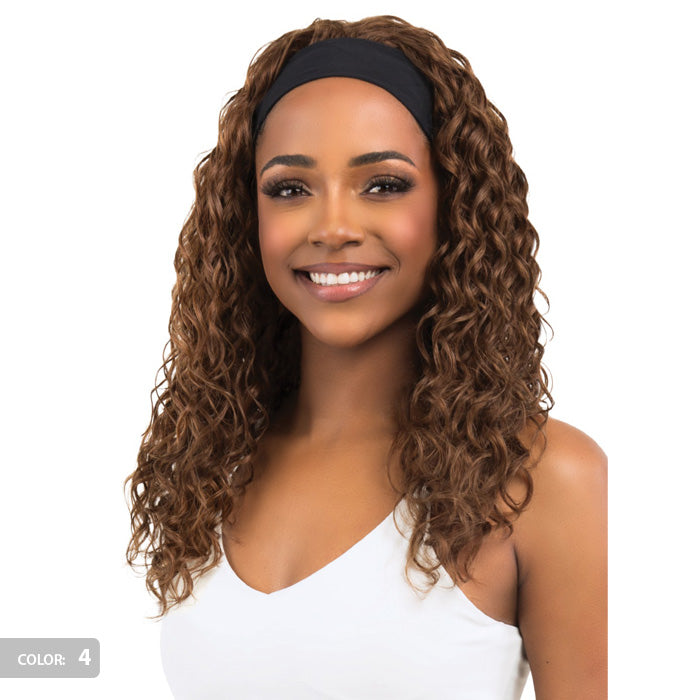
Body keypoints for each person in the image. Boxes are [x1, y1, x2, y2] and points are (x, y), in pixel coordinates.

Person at [126, 15, 607, 699]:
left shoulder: (545, 480)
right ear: (247, 216)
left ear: (453, 205)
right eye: (290, 189)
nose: (333, 228)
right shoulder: (211, 467)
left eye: (383, 184)